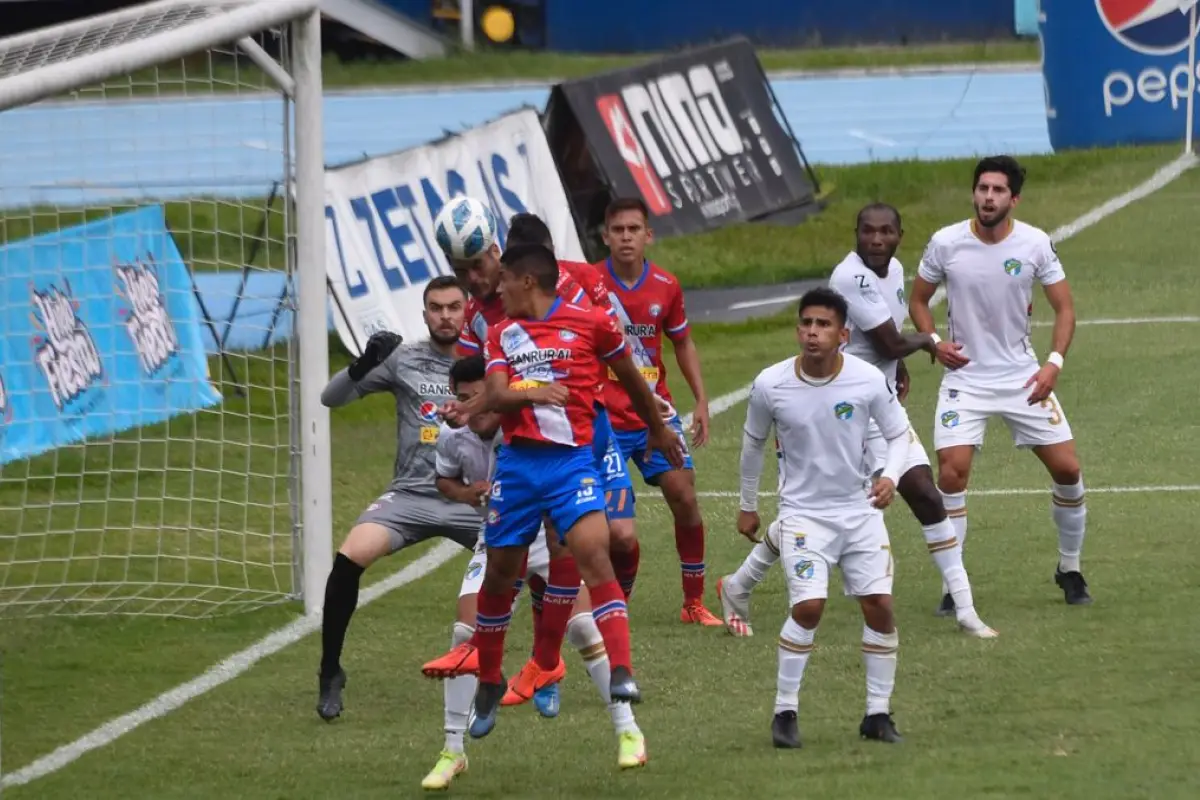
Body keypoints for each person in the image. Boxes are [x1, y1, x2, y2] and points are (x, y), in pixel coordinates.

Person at [717, 204, 995, 638]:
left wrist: (897, 367)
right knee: (816, 507)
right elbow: (889, 339)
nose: (877, 240)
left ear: (900, 235)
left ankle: (965, 608)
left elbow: (885, 342)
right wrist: (930, 343)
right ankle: (739, 584)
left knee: (925, 494)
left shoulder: (897, 270)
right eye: (868, 231)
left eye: (886, 232)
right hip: (840, 411)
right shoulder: (850, 277)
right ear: (856, 234)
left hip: (878, 405)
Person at [463, 243, 683, 765]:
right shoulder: (500, 333)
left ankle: (622, 672)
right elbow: (495, 395)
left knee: (595, 553)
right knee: (500, 576)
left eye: (505, 282)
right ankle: (490, 680)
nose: (498, 289)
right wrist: (533, 394)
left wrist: (656, 428)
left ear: (528, 283)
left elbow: (630, 376)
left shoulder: (592, 324)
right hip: (517, 468)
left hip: (571, 466)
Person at [421, 213, 641, 713]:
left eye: (479, 268)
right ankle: (538, 665)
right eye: (465, 271)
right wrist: (474, 407)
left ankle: (556, 657)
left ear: (502, 258)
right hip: (523, 449)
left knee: (607, 541)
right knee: (521, 559)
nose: (476, 282)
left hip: (587, 432)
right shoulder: (486, 320)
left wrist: (647, 416)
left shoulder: (577, 284)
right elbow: (493, 389)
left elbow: (615, 345)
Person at [422, 355, 642, 788]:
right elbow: (443, 480)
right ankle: (452, 751)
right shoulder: (453, 436)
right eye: (466, 399)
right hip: (499, 540)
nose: (476, 408)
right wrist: (469, 493)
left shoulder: (532, 426)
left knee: (582, 625)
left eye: (483, 398)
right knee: (465, 634)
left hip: (549, 534)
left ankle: (627, 729)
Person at [908, 155, 1091, 606]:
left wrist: (1052, 364)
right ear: (974, 193)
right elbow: (919, 300)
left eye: (997, 191)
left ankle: (1070, 567)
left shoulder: (1035, 244)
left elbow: (1065, 309)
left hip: (1022, 377)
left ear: (1014, 199)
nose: (988, 197)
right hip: (964, 379)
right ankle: (955, 583)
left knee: (1068, 469)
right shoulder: (945, 243)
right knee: (951, 474)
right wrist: (933, 341)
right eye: (982, 189)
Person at [737, 287, 908, 749]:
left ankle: (877, 714)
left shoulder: (868, 380)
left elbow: (899, 436)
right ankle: (784, 713)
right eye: (806, 324)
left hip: (859, 512)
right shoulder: (771, 384)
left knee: (880, 608)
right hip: (803, 516)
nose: (812, 333)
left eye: (823, 325)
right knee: (809, 608)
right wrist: (748, 503)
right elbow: (753, 444)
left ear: (843, 334)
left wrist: (889, 476)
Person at [315, 276, 482, 722]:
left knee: (535, 565)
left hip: (472, 499)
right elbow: (330, 399)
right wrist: (362, 363)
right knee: (349, 558)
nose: (445, 316)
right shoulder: (403, 358)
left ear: (467, 311)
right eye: (435, 308)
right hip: (410, 495)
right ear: (424, 312)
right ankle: (330, 671)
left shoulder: (487, 360)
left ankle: (541, 670)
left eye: (453, 307)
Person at [596, 197, 721, 625]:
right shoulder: (590, 285)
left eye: (634, 229)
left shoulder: (666, 285)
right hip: (604, 420)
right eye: (618, 230)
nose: (626, 237)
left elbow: (682, 341)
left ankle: (693, 602)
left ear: (648, 235)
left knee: (685, 497)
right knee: (617, 531)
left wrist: (700, 399)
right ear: (605, 236)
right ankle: (616, 600)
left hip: (655, 416)